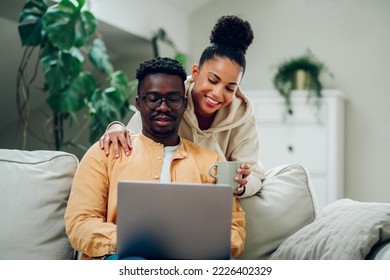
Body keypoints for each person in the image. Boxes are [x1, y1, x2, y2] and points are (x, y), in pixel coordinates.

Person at [64, 57, 246, 260]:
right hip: (122, 260)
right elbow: (79, 223)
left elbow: (235, 230)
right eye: (153, 98)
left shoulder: (211, 164)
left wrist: (194, 244)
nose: (163, 107)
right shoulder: (105, 152)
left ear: (184, 104)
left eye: (173, 99)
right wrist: (140, 242)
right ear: (138, 103)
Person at [99, 15, 265, 198]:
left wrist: (242, 186)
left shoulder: (242, 115)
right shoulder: (170, 97)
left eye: (230, 88)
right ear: (195, 72)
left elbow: (255, 174)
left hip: (208, 201)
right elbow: (134, 139)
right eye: (212, 80)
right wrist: (116, 127)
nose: (218, 93)